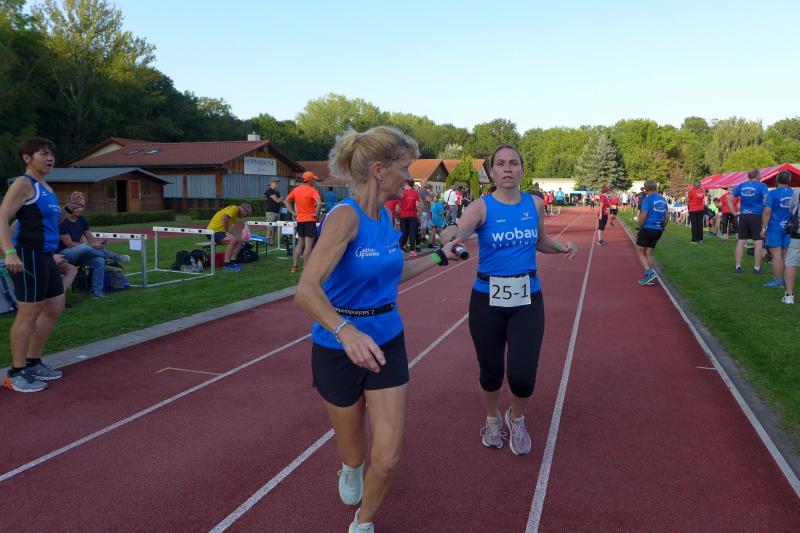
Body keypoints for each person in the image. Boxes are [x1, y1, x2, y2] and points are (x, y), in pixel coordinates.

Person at [294, 126, 460, 533]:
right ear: (379, 170)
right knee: (355, 454)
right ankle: (350, 467)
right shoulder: (345, 217)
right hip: (337, 349)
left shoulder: (385, 217)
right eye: (404, 168)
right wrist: (346, 332)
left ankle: (362, 524)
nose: (409, 178)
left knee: (386, 458)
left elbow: (392, 273)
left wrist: (438, 256)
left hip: (386, 341)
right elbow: (306, 290)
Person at [449, 144, 577, 457]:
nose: (507, 169)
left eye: (514, 163)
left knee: (523, 375)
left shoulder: (535, 204)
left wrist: (560, 246)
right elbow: (458, 231)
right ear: (492, 172)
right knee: (490, 373)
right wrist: (450, 237)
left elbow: (540, 240)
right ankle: (493, 418)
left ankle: (516, 417)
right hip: (487, 301)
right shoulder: (481, 207)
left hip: (527, 300)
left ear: (522, 169)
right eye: (501, 164)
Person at [0, 138, 84, 392]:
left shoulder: (45, 187)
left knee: (55, 307)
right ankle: (15, 373)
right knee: (29, 312)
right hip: (28, 255)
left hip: (46, 255)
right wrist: (9, 252)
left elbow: (49, 222)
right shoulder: (23, 183)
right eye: (43, 154)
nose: (50, 158)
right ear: (27, 158)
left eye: (52, 154)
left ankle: (33, 362)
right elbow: (2, 216)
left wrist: (68, 208)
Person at [58, 203, 131, 299]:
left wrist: (98, 245)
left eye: (81, 207)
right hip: (64, 255)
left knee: (99, 260)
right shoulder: (62, 221)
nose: (80, 209)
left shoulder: (82, 219)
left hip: (80, 254)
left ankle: (96, 292)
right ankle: (116, 257)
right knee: (84, 247)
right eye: (77, 207)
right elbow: (69, 244)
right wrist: (90, 246)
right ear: (69, 207)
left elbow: (92, 241)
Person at [728, 168, 769, 274]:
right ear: (757, 175)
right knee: (758, 242)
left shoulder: (741, 185)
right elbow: (767, 202)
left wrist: (734, 212)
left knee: (741, 241)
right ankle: (757, 268)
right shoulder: (762, 186)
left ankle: (738, 267)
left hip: (744, 216)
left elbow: (729, 199)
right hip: (756, 216)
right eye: (760, 174)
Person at [761, 170, 794, 288]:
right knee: (786, 254)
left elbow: (767, 211)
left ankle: (778, 281)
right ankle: (786, 280)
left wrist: (763, 227)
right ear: (789, 180)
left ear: (777, 180)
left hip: (775, 227)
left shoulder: (772, 193)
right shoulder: (794, 193)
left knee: (776, 254)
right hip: (789, 227)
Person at [285, 171, 322, 273]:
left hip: (300, 220)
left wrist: (293, 213)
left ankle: (294, 267)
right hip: (310, 220)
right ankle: (306, 268)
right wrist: (316, 214)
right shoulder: (313, 190)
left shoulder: (296, 190)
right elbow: (319, 203)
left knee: (300, 244)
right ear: (310, 180)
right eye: (314, 180)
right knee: (308, 246)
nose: (315, 181)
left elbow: (286, 201)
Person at [634, 180, 669, 286]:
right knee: (649, 252)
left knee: (639, 250)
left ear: (646, 189)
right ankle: (649, 278)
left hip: (648, 228)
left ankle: (649, 273)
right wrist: (663, 226)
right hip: (658, 229)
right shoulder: (662, 199)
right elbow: (667, 215)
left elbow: (643, 215)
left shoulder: (647, 199)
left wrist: (638, 228)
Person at [207, 203, 252, 272]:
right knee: (233, 240)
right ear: (245, 210)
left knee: (240, 241)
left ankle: (233, 262)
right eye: (247, 215)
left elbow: (230, 229)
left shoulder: (235, 214)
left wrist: (239, 238)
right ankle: (227, 265)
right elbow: (224, 219)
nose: (245, 217)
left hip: (220, 232)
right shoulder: (234, 208)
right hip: (213, 232)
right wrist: (226, 232)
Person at [782, 186, 800, 304]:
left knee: (791, 264)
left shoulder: (797, 192)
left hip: (797, 233)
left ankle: (789, 296)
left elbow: (791, 208)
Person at [398, 179, 420, 255]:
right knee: (412, 233)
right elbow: (417, 205)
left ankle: (401, 250)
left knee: (403, 232)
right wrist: (418, 215)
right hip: (412, 215)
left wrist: (398, 214)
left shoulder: (402, 193)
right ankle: (412, 251)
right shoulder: (416, 193)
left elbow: (399, 205)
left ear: (407, 184)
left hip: (403, 215)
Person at [264, 178, 282, 244]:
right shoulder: (269, 191)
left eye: (277, 183)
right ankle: (267, 241)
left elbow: (279, 200)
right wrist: (281, 199)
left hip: (277, 211)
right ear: (271, 183)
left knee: (275, 228)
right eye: (275, 183)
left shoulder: (277, 192)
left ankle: (272, 241)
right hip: (270, 211)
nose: (277, 184)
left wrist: (280, 199)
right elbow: (277, 200)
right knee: (270, 227)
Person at [417, 180, 432, 245]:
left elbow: (428, 199)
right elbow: (428, 199)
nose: (426, 183)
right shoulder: (422, 190)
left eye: (426, 182)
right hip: (424, 210)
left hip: (426, 209)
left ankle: (423, 237)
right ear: (421, 184)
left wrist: (428, 198)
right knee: (423, 225)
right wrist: (429, 198)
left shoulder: (424, 190)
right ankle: (421, 238)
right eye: (425, 182)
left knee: (425, 225)